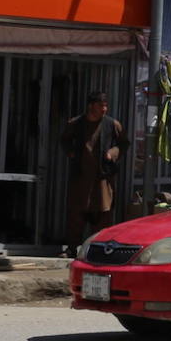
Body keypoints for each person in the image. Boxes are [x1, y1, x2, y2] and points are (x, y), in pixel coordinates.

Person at [59, 91, 128, 255]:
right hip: (81, 177)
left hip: (102, 179)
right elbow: (64, 140)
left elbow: (124, 144)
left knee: (103, 214)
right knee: (77, 213)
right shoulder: (76, 123)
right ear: (91, 106)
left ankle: (99, 250)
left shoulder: (112, 125)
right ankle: (71, 248)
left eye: (106, 105)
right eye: (101, 105)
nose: (104, 109)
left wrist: (113, 152)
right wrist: (71, 153)